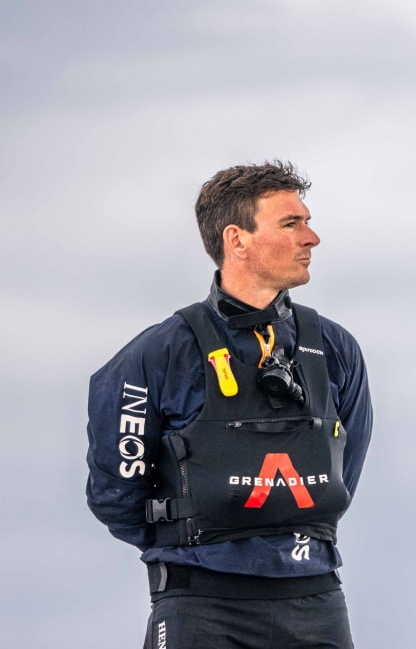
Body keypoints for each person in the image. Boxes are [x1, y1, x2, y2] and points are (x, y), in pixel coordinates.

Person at [86, 161, 372, 649]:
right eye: (291, 224)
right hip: (201, 607)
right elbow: (116, 496)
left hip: (317, 603)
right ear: (236, 240)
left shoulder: (333, 347)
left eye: (307, 220)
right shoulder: (158, 354)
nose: (312, 238)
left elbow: (347, 465)